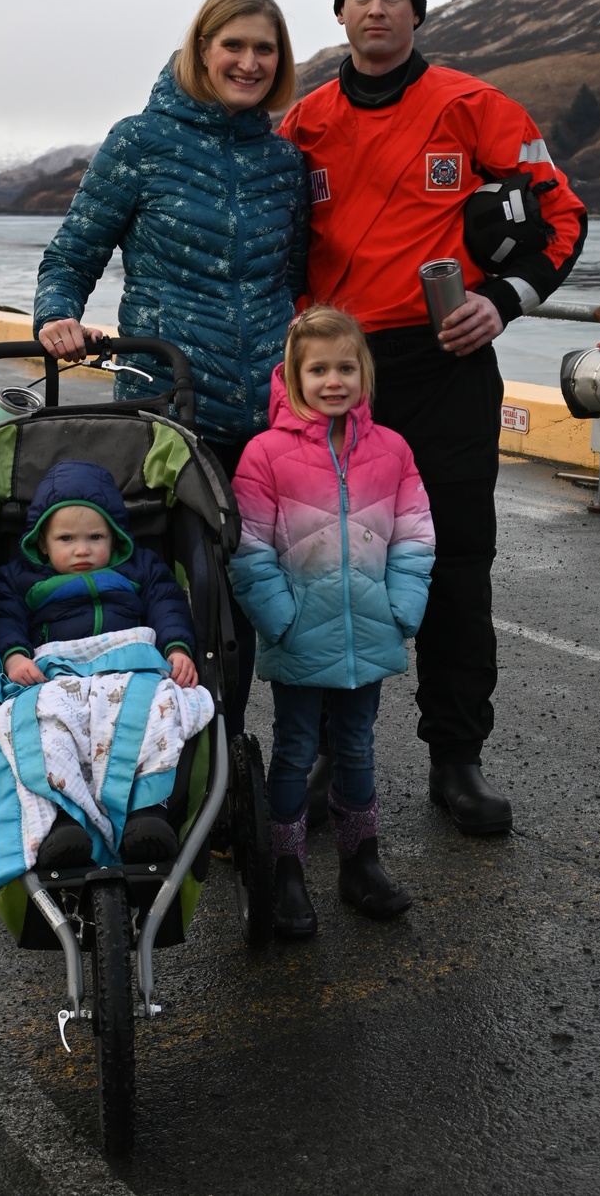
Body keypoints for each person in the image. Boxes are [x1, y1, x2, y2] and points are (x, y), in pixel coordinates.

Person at [278, 0, 588, 836]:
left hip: (445, 367)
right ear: (339, 14)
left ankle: (457, 760)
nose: (376, 10)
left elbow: (560, 212)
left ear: (418, 12)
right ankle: (336, 753)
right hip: (337, 376)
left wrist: (502, 300)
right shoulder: (304, 122)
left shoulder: (473, 105)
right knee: (330, 570)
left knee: (455, 570)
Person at [33, 0, 310, 731]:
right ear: (201, 49)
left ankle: (262, 768)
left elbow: (292, 280)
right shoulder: (140, 142)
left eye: (265, 49)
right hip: (170, 406)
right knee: (186, 593)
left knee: (268, 589)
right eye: (235, 45)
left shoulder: (285, 163)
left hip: (274, 415)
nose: (249, 62)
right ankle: (179, 756)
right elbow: (71, 255)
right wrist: (58, 317)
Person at [229, 307, 434, 936]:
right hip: (299, 634)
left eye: (346, 367)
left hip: (370, 630)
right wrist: (280, 620)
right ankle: (284, 869)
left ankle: (360, 863)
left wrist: (403, 608)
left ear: (364, 372)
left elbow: (415, 535)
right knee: (293, 752)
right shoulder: (264, 455)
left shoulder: (392, 450)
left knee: (356, 748)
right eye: (318, 369)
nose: (334, 380)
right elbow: (249, 549)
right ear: (294, 376)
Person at [0, 460, 211, 874]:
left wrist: (178, 648)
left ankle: (148, 813)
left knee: (157, 715)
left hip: (132, 670)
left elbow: (168, 604)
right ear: (42, 542)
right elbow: (4, 617)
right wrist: (15, 654)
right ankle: (65, 823)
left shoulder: (139, 568)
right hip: (58, 673)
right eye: (66, 538)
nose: (82, 549)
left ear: (116, 537)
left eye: (95, 537)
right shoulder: (21, 578)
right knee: (46, 726)